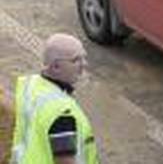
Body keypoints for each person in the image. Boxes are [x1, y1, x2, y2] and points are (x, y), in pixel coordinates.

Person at [9, 33, 98, 164]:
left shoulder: (32, 86)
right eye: (75, 60)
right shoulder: (62, 113)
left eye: (84, 57)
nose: (83, 65)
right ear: (55, 67)